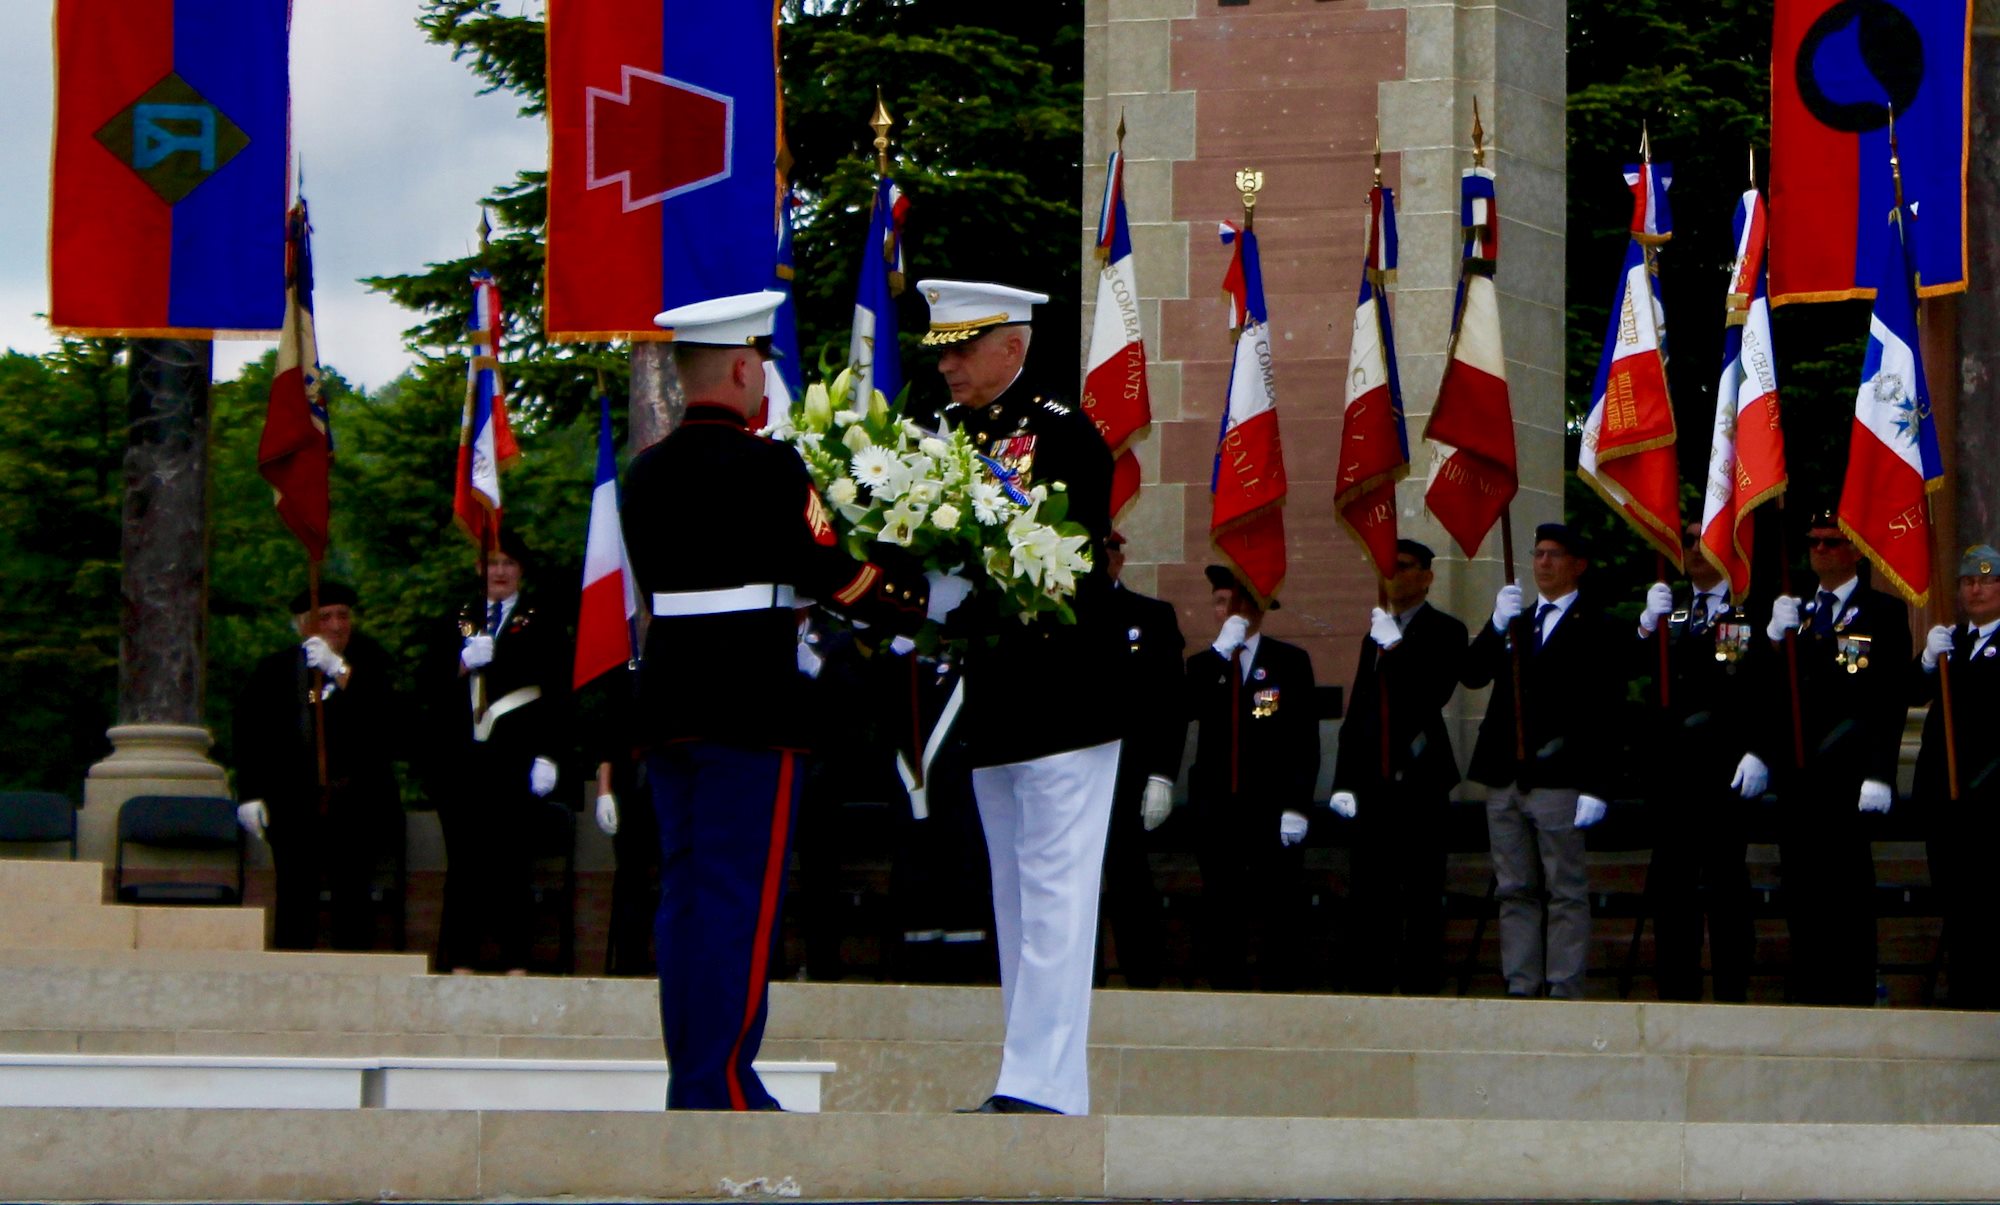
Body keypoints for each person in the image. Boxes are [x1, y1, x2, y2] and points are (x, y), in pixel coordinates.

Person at [621, 289, 926, 1111]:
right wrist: (912, 596)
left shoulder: (641, 473)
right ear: (745, 367)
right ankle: (719, 1082)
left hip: (669, 702)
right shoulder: (770, 466)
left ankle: (696, 1074)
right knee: (738, 899)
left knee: (685, 898)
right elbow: (830, 568)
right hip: (749, 706)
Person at [921, 279, 1124, 1115]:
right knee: (1015, 900)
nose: (951, 364)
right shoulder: (939, 437)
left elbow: (1059, 561)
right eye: (943, 350)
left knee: (1055, 900)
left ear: (1015, 346)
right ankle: (1032, 1077)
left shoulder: (1063, 436)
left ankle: (1042, 1085)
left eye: (966, 347)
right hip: (992, 700)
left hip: (1062, 695)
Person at [1461, 522, 1623, 999]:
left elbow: (1607, 712)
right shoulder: (1517, 620)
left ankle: (1563, 985)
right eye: (1538, 554)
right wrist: (1493, 625)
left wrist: (1598, 785)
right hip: (1506, 775)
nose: (1543, 563)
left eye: (1554, 555)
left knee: (1564, 888)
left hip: (1560, 774)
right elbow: (1471, 675)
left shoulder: (1599, 625)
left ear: (1578, 565)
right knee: (1514, 888)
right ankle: (1521, 982)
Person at [1764, 511, 1910, 1006]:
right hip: (1799, 773)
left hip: (1848, 774)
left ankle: (1853, 984)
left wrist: (1879, 773)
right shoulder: (1794, 612)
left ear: (1854, 552)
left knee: (1847, 887)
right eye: (1814, 543)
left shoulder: (1882, 613)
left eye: (1831, 543)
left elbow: (1886, 701)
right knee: (1801, 884)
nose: (1821, 551)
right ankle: (1810, 981)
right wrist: (1770, 642)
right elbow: (1771, 695)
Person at [1631, 525, 1772, 1002]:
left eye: (1702, 539)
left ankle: (1732, 991)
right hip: (1673, 772)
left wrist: (1758, 749)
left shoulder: (1747, 608)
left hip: (1723, 769)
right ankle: (1677, 992)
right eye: (1687, 541)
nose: (1693, 549)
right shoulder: (1669, 610)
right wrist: (1645, 629)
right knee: (1672, 887)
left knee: (1726, 883)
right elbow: (1636, 679)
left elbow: (1750, 686)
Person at [1330, 539, 1467, 996]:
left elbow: (1430, 695)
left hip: (1421, 782)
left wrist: (1399, 647)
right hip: (1374, 783)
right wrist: (1343, 781)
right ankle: (1371, 983)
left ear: (1427, 577)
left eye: (1405, 566)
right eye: (1388, 566)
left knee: (1423, 892)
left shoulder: (1446, 630)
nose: (1394, 575)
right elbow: (1360, 711)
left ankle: (1420, 988)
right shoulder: (1377, 632)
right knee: (1371, 891)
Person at [233, 582, 403, 951]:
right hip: (293, 800)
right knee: (294, 890)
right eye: (324, 617)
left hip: (357, 798)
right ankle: (291, 975)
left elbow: (389, 722)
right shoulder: (275, 671)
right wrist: (250, 793)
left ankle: (354, 974)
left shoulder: (372, 662)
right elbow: (250, 736)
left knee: (353, 891)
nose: (336, 625)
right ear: (303, 625)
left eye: (343, 615)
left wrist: (340, 671)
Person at [431, 528, 570, 975]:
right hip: (464, 759)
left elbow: (560, 692)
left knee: (513, 863)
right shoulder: (458, 618)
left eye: (508, 563)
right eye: (492, 563)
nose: (500, 571)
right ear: (478, 569)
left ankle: (516, 962)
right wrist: (461, 662)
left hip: (517, 755)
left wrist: (550, 754)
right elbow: (426, 687)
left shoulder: (543, 618)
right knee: (465, 864)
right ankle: (461, 961)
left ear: (521, 571)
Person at [1185, 563, 1319, 992]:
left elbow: (1304, 743)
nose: (1223, 612)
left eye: (1230, 602)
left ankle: (1279, 999)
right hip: (1218, 809)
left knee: (1279, 907)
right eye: (1218, 603)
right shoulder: (1203, 664)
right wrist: (1219, 657)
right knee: (1222, 906)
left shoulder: (1290, 662)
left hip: (1270, 809)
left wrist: (1297, 806)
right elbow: (1184, 709)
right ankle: (1225, 996)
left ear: (1255, 607)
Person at [1098, 530, 1187, 989]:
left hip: (1128, 772)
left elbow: (1171, 702)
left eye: (1105, 552)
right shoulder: (1057, 613)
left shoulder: (1150, 616)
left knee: (1130, 879)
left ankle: (1143, 983)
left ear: (1119, 559)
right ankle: (1081, 983)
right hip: (1070, 772)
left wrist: (1162, 775)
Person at [1913, 544, 2000, 1008]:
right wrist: (1927, 660)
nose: (1976, 589)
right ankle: (1963, 993)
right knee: (1955, 904)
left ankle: (1984, 998)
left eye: (1987, 580)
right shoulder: (1955, 641)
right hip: (1944, 804)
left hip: (1987, 804)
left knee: (1986, 907)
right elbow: (1910, 691)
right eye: (1968, 581)